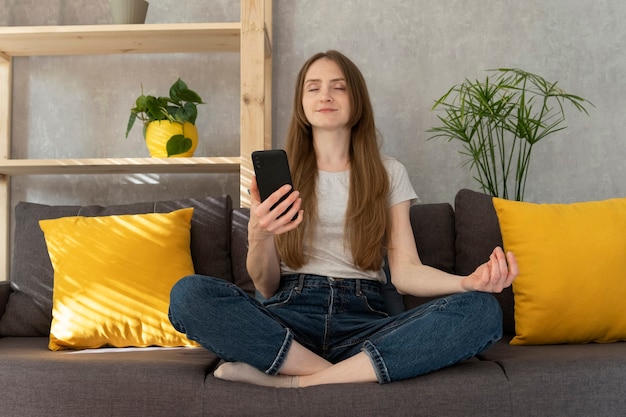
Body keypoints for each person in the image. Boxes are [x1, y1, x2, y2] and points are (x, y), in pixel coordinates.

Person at [168, 50, 518, 388]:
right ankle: (350, 374)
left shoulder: (388, 172)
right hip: (289, 317)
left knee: (483, 311)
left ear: (357, 101)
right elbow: (265, 286)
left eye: (339, 86)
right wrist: (259, 234)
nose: (326, 95)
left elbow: (407, 272)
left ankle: (295, 382)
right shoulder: (281, 173)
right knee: (188, 295)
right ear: (302, 104)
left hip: (364, 322)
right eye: (313, 86)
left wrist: (467, 283)